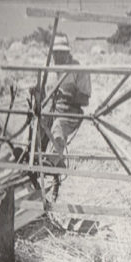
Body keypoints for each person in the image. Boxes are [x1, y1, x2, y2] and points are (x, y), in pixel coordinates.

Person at [46, 33, 91, 198]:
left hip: (71, 112)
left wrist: (69, 95)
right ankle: (29, 156)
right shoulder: (49, 70)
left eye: (61, 53)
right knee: (36, 124)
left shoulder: (78, 69)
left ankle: (51, 161)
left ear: (67, 52)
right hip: (53, 109)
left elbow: (85, 100)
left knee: (58, 126)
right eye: (55, 53)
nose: (57, 56)